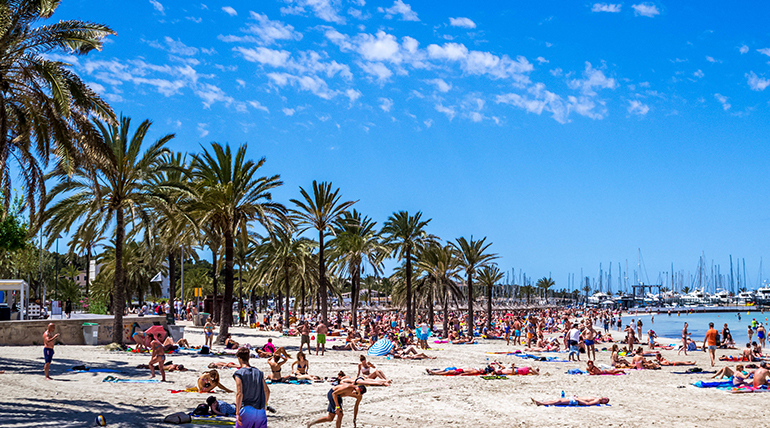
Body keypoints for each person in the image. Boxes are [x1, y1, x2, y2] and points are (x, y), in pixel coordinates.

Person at [234, 347, 270, 428]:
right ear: (248, 358)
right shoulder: (258, 372)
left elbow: (239, 393)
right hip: (260, 411)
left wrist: (237, 413)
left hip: (246, 409)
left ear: (239, 358)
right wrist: (264, 405)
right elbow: (267, 391)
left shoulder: (239, 373)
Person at [532, 396, 610, 406]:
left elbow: (587, 404)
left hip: (575, 401)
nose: (604, 398)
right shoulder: (596, 398)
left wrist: (577, 399)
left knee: (559, 401)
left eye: (605, 400)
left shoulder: (596, 401)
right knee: (557, 400)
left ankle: (541, 403)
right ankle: (543, 402)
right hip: (575, 399)